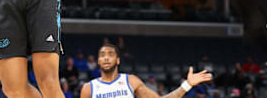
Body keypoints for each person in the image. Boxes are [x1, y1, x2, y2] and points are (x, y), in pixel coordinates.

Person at [80, 44, 213, 98]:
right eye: (102, 55)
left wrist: (187, 85)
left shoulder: (130, 81)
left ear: (118, 60)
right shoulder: (88, 88)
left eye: (111, 54)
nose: (106, 57)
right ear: (98, 61)